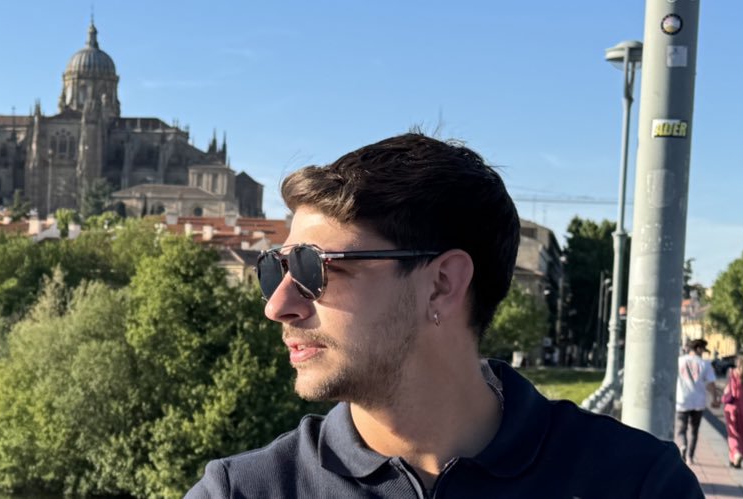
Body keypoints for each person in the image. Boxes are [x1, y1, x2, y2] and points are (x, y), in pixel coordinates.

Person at [186, 133, 700, 498]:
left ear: (443, 285)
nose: (278, 306)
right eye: (275, 270)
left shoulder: (636, 483)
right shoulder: (242, 491)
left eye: (312, 268)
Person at [675, 339, 720, 464]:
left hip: (682, 400)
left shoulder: (679, 361)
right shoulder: (705, 364)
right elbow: (711, 384)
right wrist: (715, 399)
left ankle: (683, 445)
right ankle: (690, 457)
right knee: (694, 431)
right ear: (698, 348)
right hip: (698, 402)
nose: (703, 353)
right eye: (703, 350)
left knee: (681, 429)